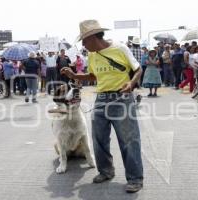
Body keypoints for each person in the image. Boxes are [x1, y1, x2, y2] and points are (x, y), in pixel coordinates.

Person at [61, 20, 143, 193]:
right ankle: (106, 171)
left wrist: (131, 83)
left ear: (93, 37)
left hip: (121, 98)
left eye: (84, 40)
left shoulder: (120, 48)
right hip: (101, 99)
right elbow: (93, 75)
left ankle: (135, 179)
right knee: (99, 139)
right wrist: (74, 74)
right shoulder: (92, 55)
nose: (83, 44)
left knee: (129, 140)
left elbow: (138, 70)